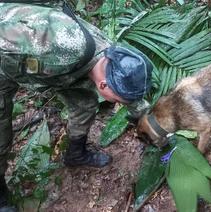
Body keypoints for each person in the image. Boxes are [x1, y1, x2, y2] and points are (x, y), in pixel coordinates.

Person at [0, 2, 152, 211]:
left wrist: (153, 121)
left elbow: (131, 97)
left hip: (57, 72)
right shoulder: (61, 45)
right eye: (117, 100)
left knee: (85, 104)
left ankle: (75, 154)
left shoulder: (112, 58)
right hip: (5, 62)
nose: (118, 104)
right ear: (104, 84)